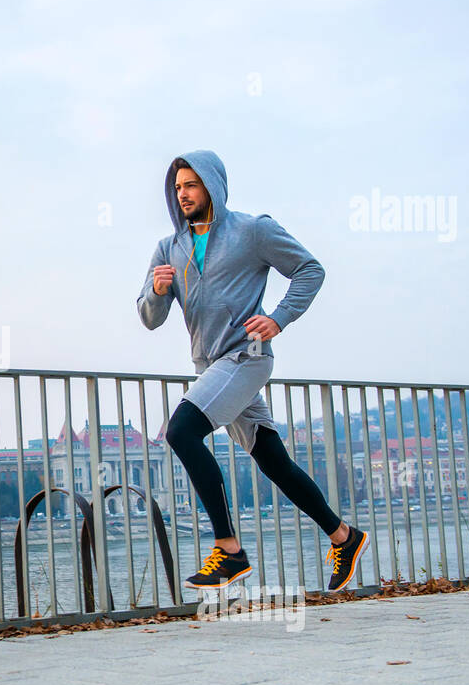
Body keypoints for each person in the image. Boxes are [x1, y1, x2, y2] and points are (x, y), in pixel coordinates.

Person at [137, 149, 367, 593]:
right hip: (209, 365)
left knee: (181, 432)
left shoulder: (252, 230)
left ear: (212, 186)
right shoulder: (169, 248)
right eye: (178, 187)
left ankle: (229, 549)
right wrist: (157, 290)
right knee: (272, 460)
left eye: (192, 184)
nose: (183, 194)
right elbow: (149, 318)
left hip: (246, 357)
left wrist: (278, 318)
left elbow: (309, 270)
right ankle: (344, 536)